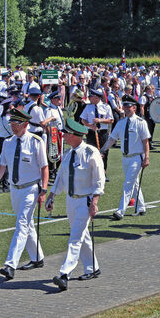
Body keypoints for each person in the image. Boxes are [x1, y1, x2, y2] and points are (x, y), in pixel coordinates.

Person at [0, 108, 49, 280]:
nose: (12, 126)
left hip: (30, 189)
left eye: (16, 124)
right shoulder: (8, 142)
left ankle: (10, 264)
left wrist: (43, 190)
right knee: (26, 224)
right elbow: (1, 167)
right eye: (11, 123)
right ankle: (37, 257)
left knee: (21, 224)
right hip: (15, 189)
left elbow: (44, 167)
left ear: (25, 124)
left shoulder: (36, 142)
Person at [46, 118, 106, 291]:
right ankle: (92, 268)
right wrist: (52, 196)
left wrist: (95, 202)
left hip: (85, 201)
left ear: (75, 135)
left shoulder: (90, 152)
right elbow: (60, 178)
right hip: (71, 200)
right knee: (82, 235)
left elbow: (99, 180)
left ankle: (65, 274)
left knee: (75, 238)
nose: (63, 135)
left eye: (66, 133)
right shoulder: (68, 154)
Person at [100, 95, 150, 220]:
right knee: (134, 183)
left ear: (134, 108)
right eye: (125, 107)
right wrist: (102, 150)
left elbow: (145, 142)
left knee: (128, 184)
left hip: (136, 157)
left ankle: (120, 211)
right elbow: (112, 139)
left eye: (129, 107)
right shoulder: (121, 123)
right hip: (125, 157)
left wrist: (146, 158)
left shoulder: (140, 122)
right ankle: (141, 207)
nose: (126, 109)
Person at [80, 89, 113, 174]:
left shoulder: (106, 106)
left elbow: (111, 120)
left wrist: (100, 120)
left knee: (104, 152)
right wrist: (90, 125)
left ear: (96, 98)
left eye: (90, 97)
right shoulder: (88, 107)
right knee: (91, 153)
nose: (89, 99)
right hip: (91, 133)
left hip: (102, 132)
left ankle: (103, 172)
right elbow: (83, 120)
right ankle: (92, 173)